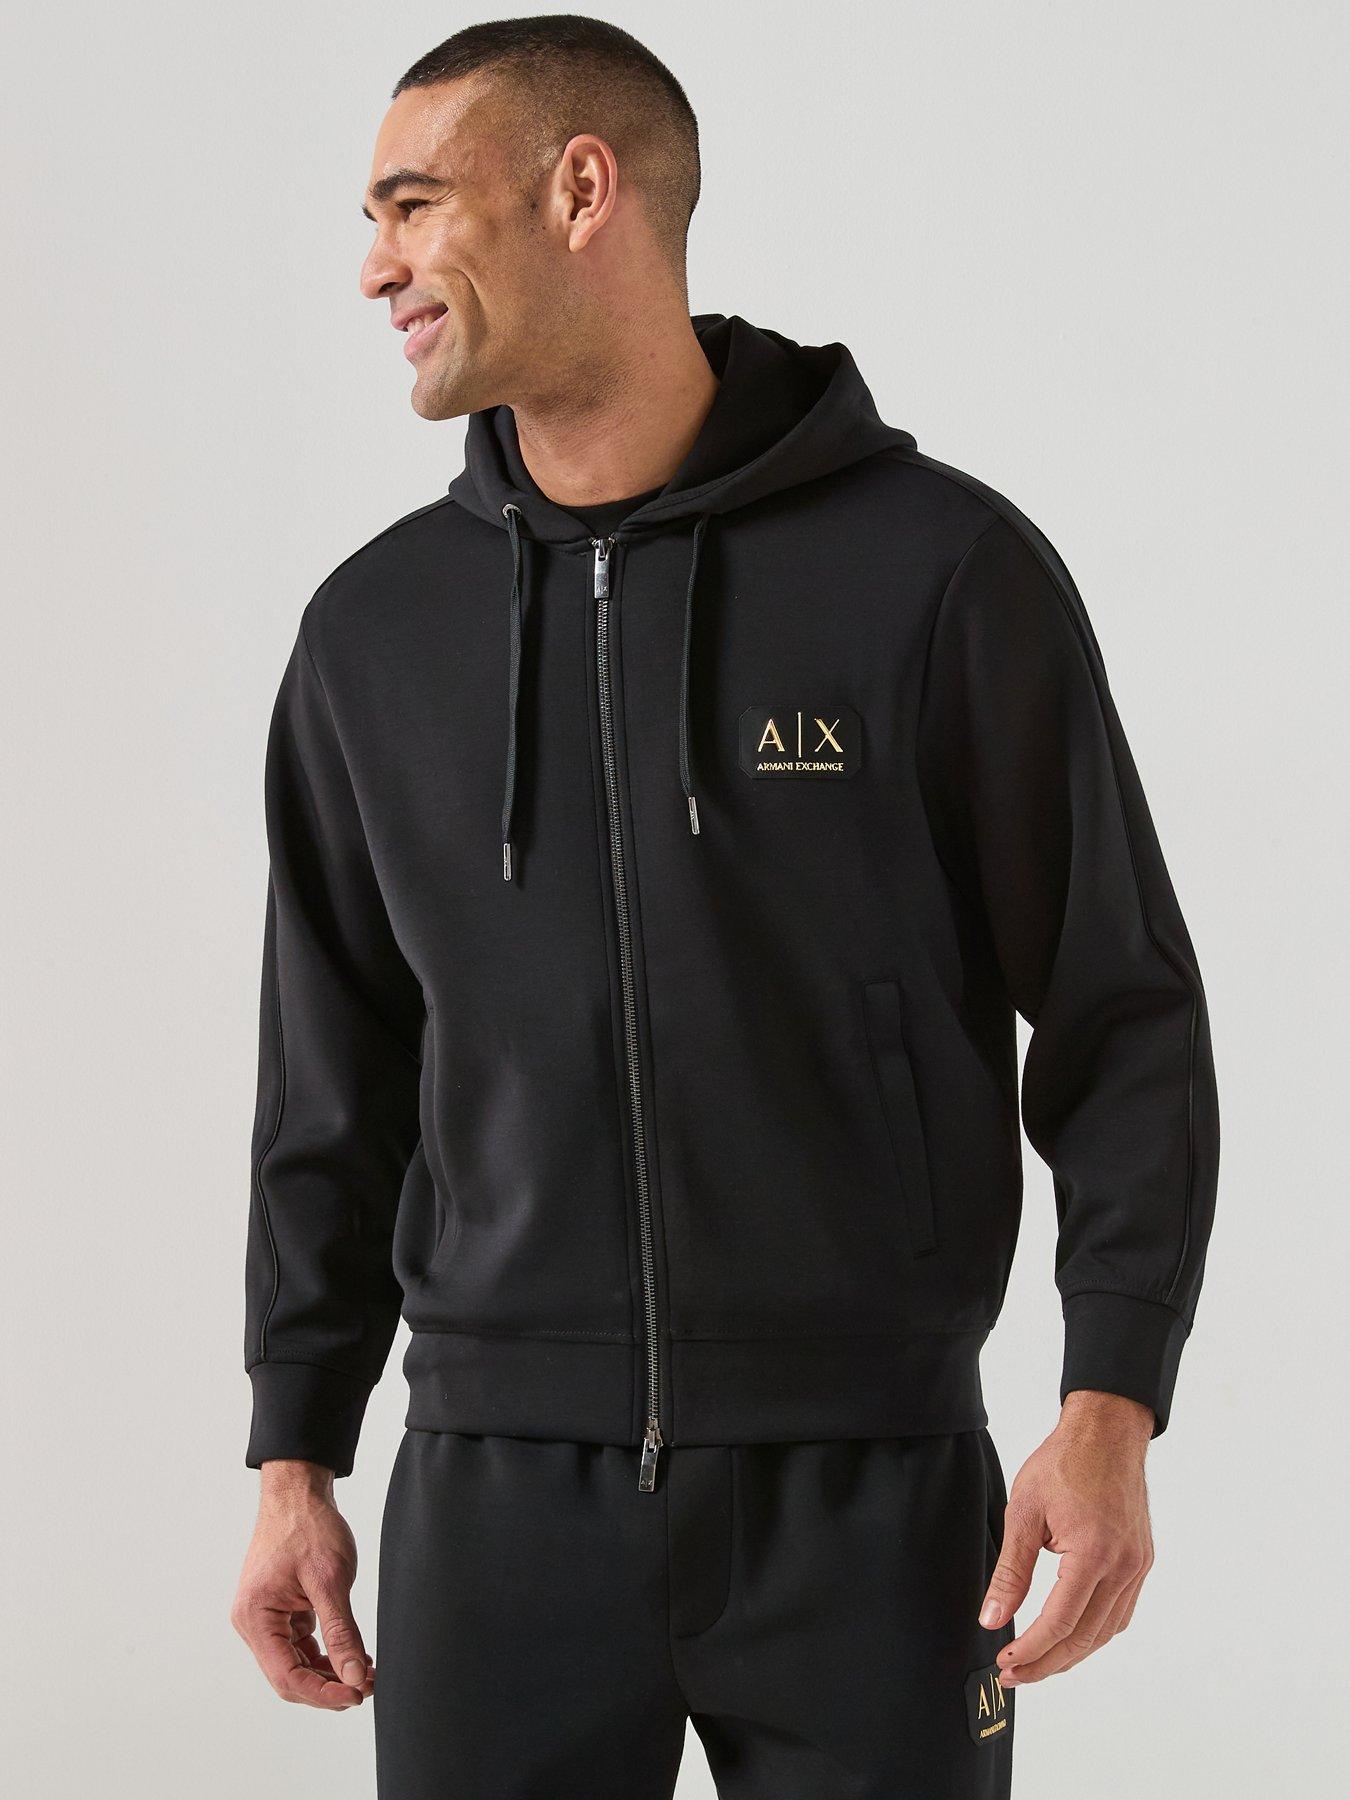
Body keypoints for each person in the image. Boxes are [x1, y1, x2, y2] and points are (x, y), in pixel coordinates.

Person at [229, 16, 1219, 1799]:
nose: (373, 265)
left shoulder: (936, 573)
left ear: (579, 189)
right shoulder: (374, 636)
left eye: (412, 204)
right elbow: (331, 1082)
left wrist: (1110, 1401)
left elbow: (1119, 1005)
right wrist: (292, 1453)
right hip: (496, 1502)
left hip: (873, 1497)